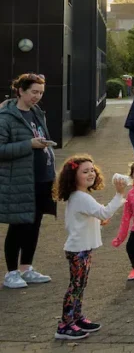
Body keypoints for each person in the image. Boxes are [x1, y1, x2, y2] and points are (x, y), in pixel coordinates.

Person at [53, 154, 127, 341]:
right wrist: (119, 194)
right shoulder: (80, 197)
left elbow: (93, 215)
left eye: (92, 170)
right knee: (75, 286)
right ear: (73, 176)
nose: (91, 174)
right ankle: (64, 325)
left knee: (80, 285)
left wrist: (98, 220)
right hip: (78, 250)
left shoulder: (81, 196)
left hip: (83, 248)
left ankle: (76, 318)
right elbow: (104, 212)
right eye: (85, 171)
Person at [1, 73, 57, 290]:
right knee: (19, 225)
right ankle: (11, 273)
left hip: (42, 178)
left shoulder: (37, 112)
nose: (37, 96)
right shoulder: (6, 117)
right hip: (20, 180)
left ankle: (27, 268)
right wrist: (29, 145)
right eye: (34, 92)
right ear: (20, 90)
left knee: (34, 225)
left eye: (41, 93)